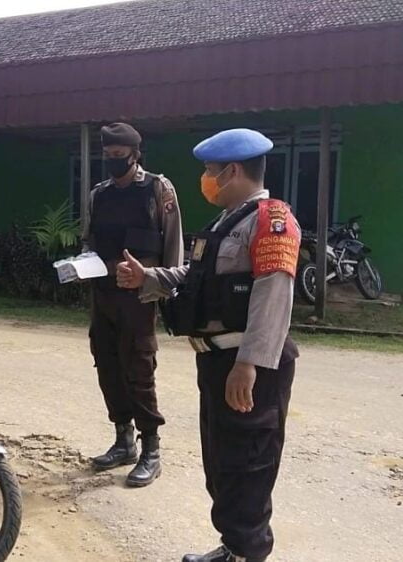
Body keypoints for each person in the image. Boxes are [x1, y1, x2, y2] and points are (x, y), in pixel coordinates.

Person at [117, 128, 301, 562]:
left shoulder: (271, 221)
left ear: (232, 171)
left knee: (248, 464)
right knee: (223, 463)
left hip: (246, 363)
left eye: (210, 171)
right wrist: (149, 278)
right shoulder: (227, 221)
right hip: (217, 361)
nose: (205, 179)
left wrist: (249, 363)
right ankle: (233, 547)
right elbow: (196, 278)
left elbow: (273, 292)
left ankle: (247, 552)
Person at [83, 122, 184, 487]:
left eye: (119, 155)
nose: (113, 160)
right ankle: (123, 440)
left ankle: (151, 449)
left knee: (139, 368)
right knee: (107, 364)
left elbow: (173, 245)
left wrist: (166, 286)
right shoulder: (99, 194)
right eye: (107, 155)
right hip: (104, 294)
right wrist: (81, 265)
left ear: (135, 154)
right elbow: (90, 241)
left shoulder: (158, 188)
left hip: (140, 297)